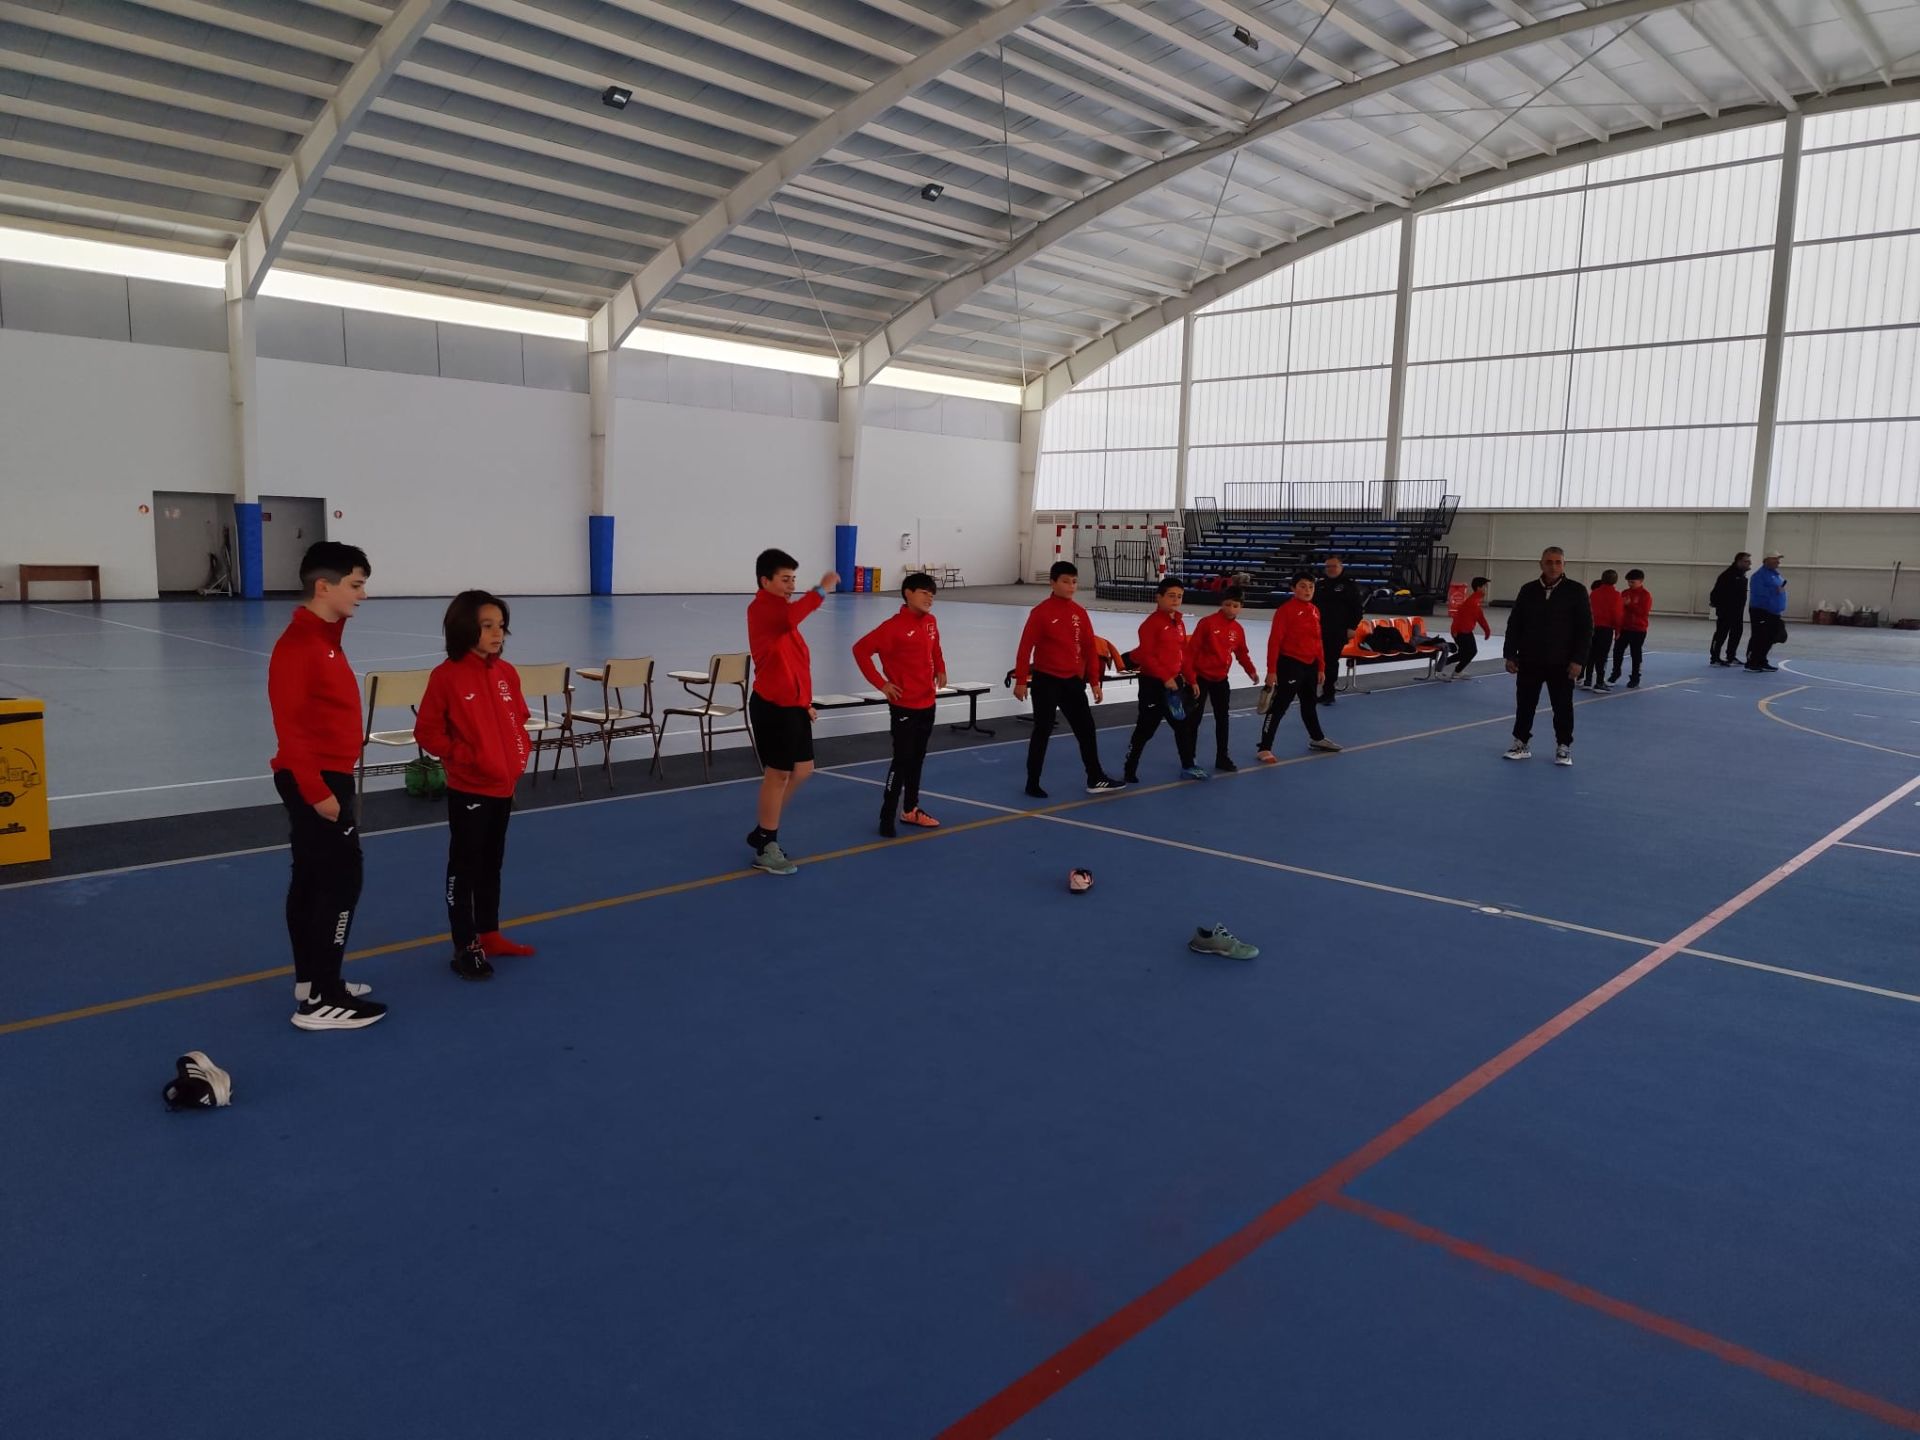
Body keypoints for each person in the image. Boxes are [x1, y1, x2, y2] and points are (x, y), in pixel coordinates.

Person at [268, 540, 386, 1030]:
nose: (362, 595)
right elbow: (290, 728)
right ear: (325, 586)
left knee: (313, 879)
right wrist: (321, 795)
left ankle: (312, 979)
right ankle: (322, 999)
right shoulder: (299, 646)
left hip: (325, 774)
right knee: (341, 882)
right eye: (356, 585)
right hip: (315, 779)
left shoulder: (326, 641)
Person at [414, 590, 534, 982]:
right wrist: (467, 757)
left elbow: (519, 717)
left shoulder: (507, 673)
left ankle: (490, 934)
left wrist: (515, 760)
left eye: (500, 626)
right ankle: (465, 947)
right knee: (463, 870)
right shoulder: (446, 677)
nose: (497, 633)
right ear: (466, 628)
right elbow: (428, 732)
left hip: (502, 787)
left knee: (491, 865)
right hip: (470, 789)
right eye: (487, 626)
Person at [746, 548, 839, 875]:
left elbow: (795, 666)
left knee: (804, 769)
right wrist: (822, 588)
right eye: (785, 580)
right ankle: (767, 844)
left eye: (794, 580)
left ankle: (763, 828)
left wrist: (805, 703)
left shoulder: (781, 612)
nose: (791, 586)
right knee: (779, 774)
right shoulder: (763, 610)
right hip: (772, 707)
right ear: (765, 580)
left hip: (794, 707)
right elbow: (792, 617)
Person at [1014, 561, 1122, 799]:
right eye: (1065, 581)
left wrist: (1094, 681)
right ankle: (1032, 782)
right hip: (1046, 680)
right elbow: (1025, 648)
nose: (1071, 586)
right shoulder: (1040, 612)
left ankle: (1095, 777)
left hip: (1072, 681)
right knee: (1042, 730)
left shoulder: (1079, 613)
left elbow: (1088, 649)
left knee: (1086, 729)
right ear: (1053, 583)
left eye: (1074, 582)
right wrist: (1021, 679)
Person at [853, 571, 947, 838]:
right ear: (908, 594)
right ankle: (886, 816)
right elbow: (860, 650)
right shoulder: (891, 628)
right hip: (904, 706)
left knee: (918, 759)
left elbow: (935, 647)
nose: (930, 598)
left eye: (932, 594)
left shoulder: (931, 622)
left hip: (927, 702)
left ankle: (911, 809)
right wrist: (881, 684)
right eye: (924, 592)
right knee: (902, 761)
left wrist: (941, 668)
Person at [1503, 546, 1592, 767]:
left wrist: (1578, 660)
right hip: (1529, 660)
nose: (1553, 566)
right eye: (1549, 562)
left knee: (1562, 707)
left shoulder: (1576, 591)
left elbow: (1585, 629)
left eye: (1558, 562)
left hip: (1562, 663)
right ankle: (1520, 743)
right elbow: (1515, 624)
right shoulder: (1528, 590)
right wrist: (1510, 654)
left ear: (1563, 565)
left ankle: (1563, 746)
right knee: (1525, 704)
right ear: (1541, 564)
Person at [1122, 578, 1201, 783]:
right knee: (1146, 728)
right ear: (1159, 597)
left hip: (1175, 684)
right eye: (1171, 596)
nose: (1176, 600)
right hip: (1152, 684)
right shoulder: (1150, 625)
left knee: (1182, 725)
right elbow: (1147, 656)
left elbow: (1183, 654)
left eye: (1179, 596)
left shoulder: (1180, 623)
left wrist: (1192, 679)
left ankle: (1188, 766)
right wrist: (1165, 678)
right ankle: (1129, 768)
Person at [1256, 573, 1343, 761]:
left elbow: (1318, 640)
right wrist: (1271, 671)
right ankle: (1264, 747)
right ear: (1293, 589)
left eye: (1311, 587)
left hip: (1310, 665)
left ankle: (1317, 739)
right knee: (1279, 707)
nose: (1308, 590)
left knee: (1309, 704)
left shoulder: (1314, 610)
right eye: (1303, 586)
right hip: (1290, 664)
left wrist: (1321, 667)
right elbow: (1274, 642)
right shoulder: (1285, 611)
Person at [1184, 585, 1260, 771]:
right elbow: (1190, 653)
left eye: (1235, 605)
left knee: (1222, 719)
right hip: (1200, 679)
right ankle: (1189, 757)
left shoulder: (1238, 629)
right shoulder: (1207, 623)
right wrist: (1191, 679)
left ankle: (1222, 757)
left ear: (1240, 607)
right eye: (1228, 604)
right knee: (1194, 720)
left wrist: (1251, 671)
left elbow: (1241, 653)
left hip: (1220, 679)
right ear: (1222, 604)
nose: (1231, 609)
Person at [1315, 555, 1365, 705]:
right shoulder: (1320, 584)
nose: (1330, 569)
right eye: (1328, 566)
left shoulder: (1349, 585)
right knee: (1314, 661)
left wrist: (1352, 627)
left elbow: (1357, 609)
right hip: (1317, 630)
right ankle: (1311, 691)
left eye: (1333, 566)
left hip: (1337, 630)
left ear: (1341, 567)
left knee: (1330, 662)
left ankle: (1328, 693)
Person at [1441, 576, 1492, 681]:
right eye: (1485, 586)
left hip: (1465, 631)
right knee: (1471, 652)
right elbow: (1460, 616)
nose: (1486, 589)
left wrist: (1487, 631)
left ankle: (1448, 666)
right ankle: (1455, 670)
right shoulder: (1472, 601)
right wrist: (1455, 630)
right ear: (1479, 588)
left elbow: (1479, 617)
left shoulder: (1475, 600)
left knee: (1465, 653)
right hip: (1461, 632)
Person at [1746, 552, 1788, 672]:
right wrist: (1775, 590)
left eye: (1778, 559)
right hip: (1761, 610)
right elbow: (1758, 591)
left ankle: (1762, 660)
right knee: (1759, 637)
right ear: (1766, 560)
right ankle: (1752, 662)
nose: (1778, 561)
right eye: (1775, 559)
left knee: (1770, 637)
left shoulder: (1775, 575)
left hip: (1774, 611)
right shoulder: (1759, 575)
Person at [1610, 569, 1652, 689]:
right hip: (1624, 628)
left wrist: (1630, 605)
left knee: (1636, 654)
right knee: (1617, 651)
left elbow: (1643, 612)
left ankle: (1635, 677)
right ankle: (1615, 673)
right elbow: (1619, 611)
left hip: (1638, 629)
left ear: (1641, 581)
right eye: (1629, 582)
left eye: (1632, 582)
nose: (1630, 584)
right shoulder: (1624, 593)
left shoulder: (1645, 595)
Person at [1709, 552, 1752, 667]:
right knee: (1721, 634)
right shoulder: (1727, 575)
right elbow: (1715, 593)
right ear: (1739, 562)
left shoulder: (1742, 576)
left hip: (1738, 612)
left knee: (1736, 633)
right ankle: (1715, 658)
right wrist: (1720, 606)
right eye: (1746, 561)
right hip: (1726, 611)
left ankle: (1731, 656)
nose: (1749, 563)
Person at [1585, 569, 1621, 693]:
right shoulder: (1616, 595)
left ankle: (1587, 681)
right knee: (1602, 656)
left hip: (1593, 627)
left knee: (1590, 654)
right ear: (1615, 580)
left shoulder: (1594, 593)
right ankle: (1599, 682)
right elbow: (1616, 614)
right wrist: (1618, 630)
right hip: (1606, 628)